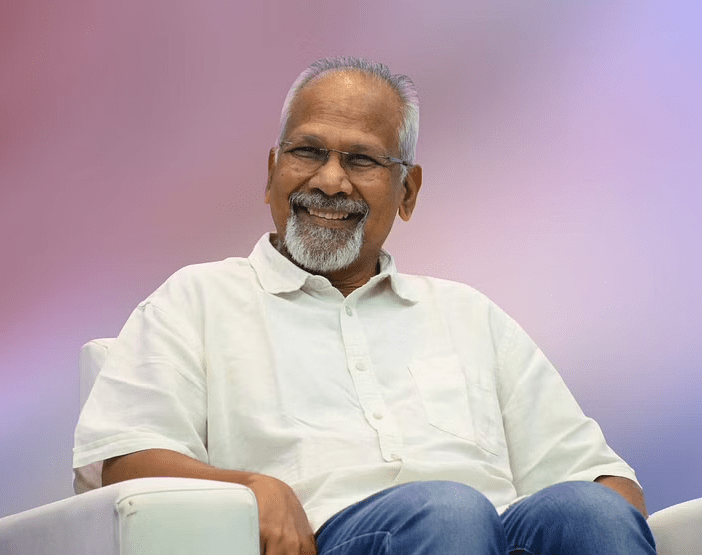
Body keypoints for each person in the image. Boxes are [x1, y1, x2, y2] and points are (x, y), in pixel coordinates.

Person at [74, 57, 656, 555]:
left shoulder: (469, 316)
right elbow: (126, 459)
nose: (330, 181)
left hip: (487, 533)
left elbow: (606, 483)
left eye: (361, 160)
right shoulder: (198, 299)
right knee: (450, 513)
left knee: (592, 513)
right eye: (308, 151)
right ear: (271, 172)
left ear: (408, 192)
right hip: (329, 539)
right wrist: (253, 487)